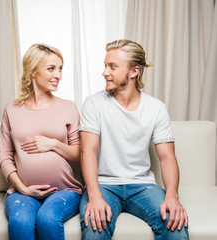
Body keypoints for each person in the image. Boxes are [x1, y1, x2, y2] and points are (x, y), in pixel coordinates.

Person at [79, 39, 189, 240]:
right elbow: (88, 152)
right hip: (103, 184)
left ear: (134, 72)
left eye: (112, 66)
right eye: (105, 65)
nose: (105, 72)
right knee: (94, 228)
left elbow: (167, 158)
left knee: (176, 226)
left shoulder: (156, 108)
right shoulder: (93, 104)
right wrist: (94, 197)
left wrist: (172, 196)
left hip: (142, 185)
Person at [0, 43, 83, 240]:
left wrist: (53, 144)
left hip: (65, 190)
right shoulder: (12, 109)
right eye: (51, 68)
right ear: (33, 71)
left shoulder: (68, 107)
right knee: (20, 221)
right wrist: (21, 187)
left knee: (48, 218)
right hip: (22, 191)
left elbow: (80, 154)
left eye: (61, 68)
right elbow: (4, 154)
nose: (58, 75)